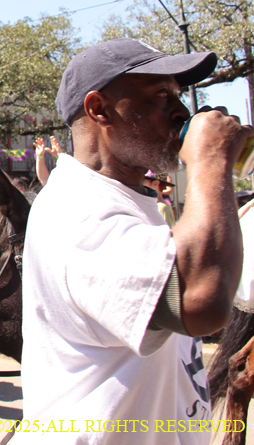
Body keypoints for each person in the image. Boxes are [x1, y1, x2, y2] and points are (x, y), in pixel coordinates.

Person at [21, 38, 251, 444]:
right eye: (161, 95)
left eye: (178, 96)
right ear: (98, 109)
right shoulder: (78, 209)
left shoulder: (123, 199)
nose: (181, 111)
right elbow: (201, 301)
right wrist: (211, 160)